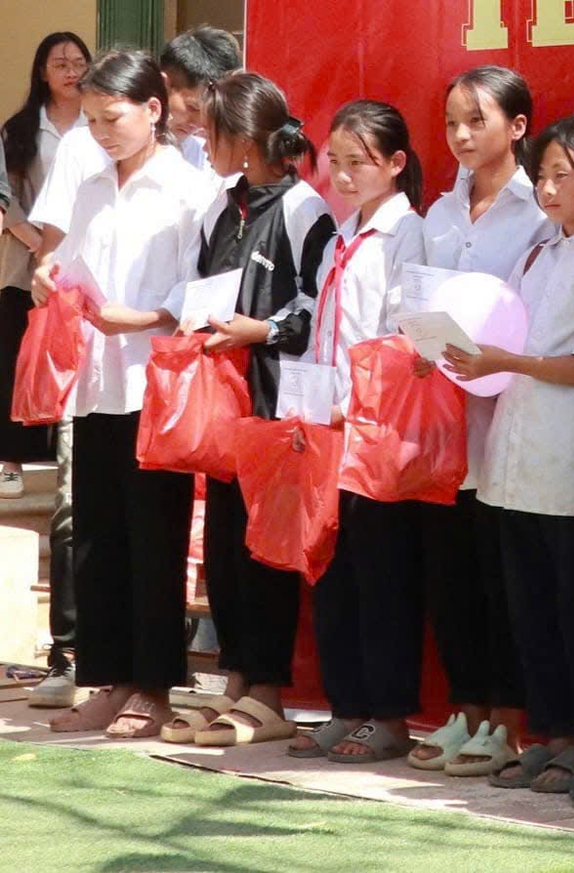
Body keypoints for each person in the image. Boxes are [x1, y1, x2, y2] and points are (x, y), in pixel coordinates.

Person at [32, 49, 218, 738]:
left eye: (112, 118)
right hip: (95, 379)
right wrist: (51, 279)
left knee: (153, 535)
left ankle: (155, 684)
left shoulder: (188, 193)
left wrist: (145, 317)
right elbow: (68, 264)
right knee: (98, 536)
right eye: (91, 120)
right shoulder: (89, 188)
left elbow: (204, 290)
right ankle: (105, 676)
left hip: (155, 381)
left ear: (152, 110)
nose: (102, 132)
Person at [444, 112, 574, 794]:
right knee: (530, 610)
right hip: (512, 459)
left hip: (573, 461)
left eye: (564, 177)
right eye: (543, 174)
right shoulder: (536, 251)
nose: (548, 190)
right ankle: (549, 732)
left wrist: (503, 359)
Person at [173, 72, 336, 748]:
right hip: (222, 404)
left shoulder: (305, 209)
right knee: (226, 546)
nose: (202, 143)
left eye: (211, 132)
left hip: (279, 402)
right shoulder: (219, 207)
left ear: (243, 139)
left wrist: (260, 330)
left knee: (268, 550)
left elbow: (319, 306)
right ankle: (235, 681)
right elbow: (198, 283)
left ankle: (268, 690)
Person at [411, 66, 549, 773]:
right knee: (452, 573)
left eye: (478, 121)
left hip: (509, 418)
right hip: (440, 421)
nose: (462, 136)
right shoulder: (437, 215)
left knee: (504, 575)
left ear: (517, 127)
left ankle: (506, 716)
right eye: (452, 123)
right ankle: (464, 707)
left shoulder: (539, 213)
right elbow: (418, 305)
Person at [288, 100, 432, 766]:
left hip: (374, 430)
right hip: (325, 426)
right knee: (333, 571)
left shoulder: (408, 234)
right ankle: (345, 703)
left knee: (381, 576)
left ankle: (388, 713)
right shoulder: (344, 234)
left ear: (396, 164)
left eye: (358, 163)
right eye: (334, 162)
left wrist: (357, 403)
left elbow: (403, 336)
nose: (342, 175)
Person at [1, 32, 90, 708]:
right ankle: (13, 452)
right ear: (40, 71)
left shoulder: (97, 129)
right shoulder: (19, 130)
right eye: (58, 62)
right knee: (16, 361)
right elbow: (6, 201)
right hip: (23, 269)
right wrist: (33, 245)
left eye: (77, 61)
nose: (69, 70)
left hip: (72, 286)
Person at [158, 25, 244, 178]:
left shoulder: (207, 160)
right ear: (164, 84)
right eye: (193, 107)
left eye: (210, 113)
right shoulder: (115, 149)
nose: (198, 123)